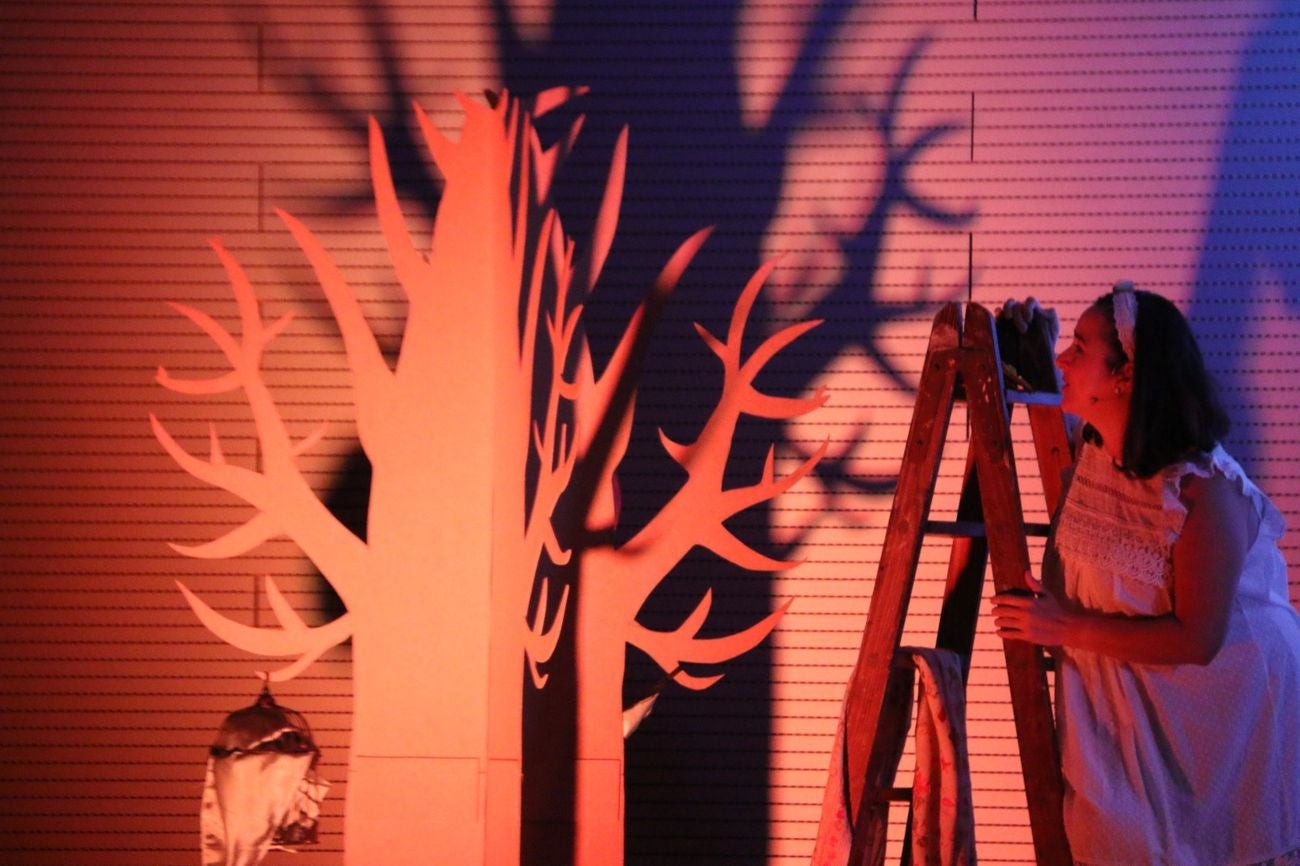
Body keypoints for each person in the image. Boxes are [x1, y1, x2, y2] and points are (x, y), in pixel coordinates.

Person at [991, 284, 1300, 866]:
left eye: (1079, 348)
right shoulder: (1096, 449)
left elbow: (1198, 638)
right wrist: (1031, 354)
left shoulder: (1203, 492)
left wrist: (1064, 627)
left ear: (1125, 377)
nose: (1064, 359)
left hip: (1225, 711)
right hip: (1134, 704)